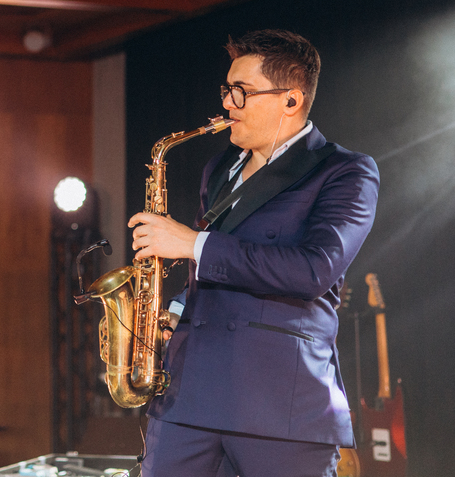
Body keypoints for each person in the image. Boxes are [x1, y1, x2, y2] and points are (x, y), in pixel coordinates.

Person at [128, 29, 379, 477]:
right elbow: (213, 262)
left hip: (280, 406)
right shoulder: (219, 167)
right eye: (227, 90)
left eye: (241, 93)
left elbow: (313, 270)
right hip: (188, 396)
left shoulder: (345, 172)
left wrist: (191, 243)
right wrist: (176, 308)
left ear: (291, 100)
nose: (227, 104)